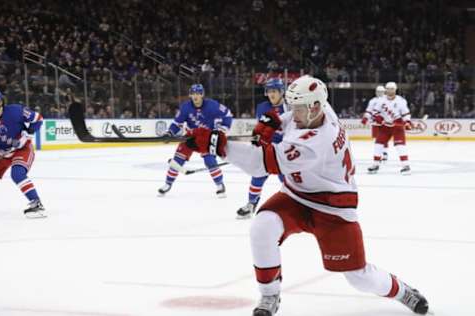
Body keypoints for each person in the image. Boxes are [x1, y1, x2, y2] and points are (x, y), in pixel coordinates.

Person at [184, 75, 429, 316]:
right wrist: (274, 120)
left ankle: (403, 291)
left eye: (298, 108)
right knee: (262, 227)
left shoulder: (316, 143)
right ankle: (270, 294)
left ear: (314, 107)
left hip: (333, 208)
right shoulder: (320, 109)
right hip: (297, 195)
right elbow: (290, 117)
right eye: (291, 106)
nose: (293, 112)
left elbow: (258, 164)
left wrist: (218, 145)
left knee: (358, 277)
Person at [158, 84, 232, 198]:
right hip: (190, 137)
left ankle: (220, 185)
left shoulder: (212, 105)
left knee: (210, 161)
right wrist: (169, 133)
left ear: (202, 94)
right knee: (177, 160)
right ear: (190, 95)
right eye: (193, 93)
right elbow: (177, 123)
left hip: (206, 137)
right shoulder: (185, 107)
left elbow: (227, 114)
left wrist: (223, 129)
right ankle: (167, 184)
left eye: (198, 93)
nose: (195, 96)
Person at [237, 78, 287, 219]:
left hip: (282, 151)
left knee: (288, 182)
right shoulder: (262, 107)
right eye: (269, 91)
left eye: (274, 91)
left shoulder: (290, 107)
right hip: (266, 150)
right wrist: (254, 144)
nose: (271, 94)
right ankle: (251, 204)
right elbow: (259, 129)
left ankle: (298, 207)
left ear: (281, 92)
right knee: (257, 176)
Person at [0, 86, 45, 218]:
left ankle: (36, 203)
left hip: (22, 149)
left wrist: (28, 133)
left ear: (0, 101)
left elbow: (38, 118)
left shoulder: (16, 111)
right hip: (1, 152)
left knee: (17, 174)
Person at [367, 82, 412, 175]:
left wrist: (407, 122)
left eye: (391, 89)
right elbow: (375, 112)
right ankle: (375, 164)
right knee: (378, 144)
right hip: (385, 127)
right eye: (388, 89)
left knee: (400, 146)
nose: (389, 91)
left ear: (395, 90)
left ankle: (406, 165)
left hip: (397, 127)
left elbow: (406, 114)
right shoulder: (381, 100)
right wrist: (380, 119)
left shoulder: (401, 101)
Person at [362, 85, 389, 160]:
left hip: (384, 123)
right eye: (378, 91)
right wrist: (365, 118)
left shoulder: (387, 100)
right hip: (374, 122)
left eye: (381, 92)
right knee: (377, 139)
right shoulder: (372, 101)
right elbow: (369, 110)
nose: (379, 93)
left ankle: (385, 153)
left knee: (384, 138)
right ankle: (379, 153)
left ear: (384, 92)